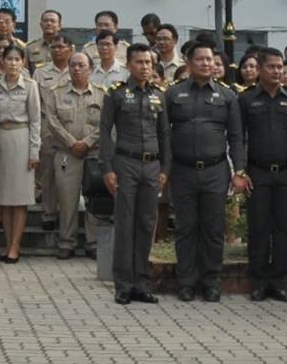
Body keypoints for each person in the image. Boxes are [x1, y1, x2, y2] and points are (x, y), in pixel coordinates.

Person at [164, 37, 244, 302]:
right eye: (200, 59)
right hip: (182, 171)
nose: (207, 63)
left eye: (210, 59)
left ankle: (211, 282)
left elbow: (236, 137)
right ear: (189, 63)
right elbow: (164, 134)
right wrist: (165, 169)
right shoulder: (173, 94)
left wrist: (239, 171)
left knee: (213, 229)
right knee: (185, 228)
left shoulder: (227, 95)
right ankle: (186, 283)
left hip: (215, 171)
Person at [100, 43, 167, 304]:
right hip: (125, 163)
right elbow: (105, 132)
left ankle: (142, 284)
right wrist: (107, 168)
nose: (145, 67)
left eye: (148, 62)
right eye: (139, 62)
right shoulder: (116, 94)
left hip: (152, 166)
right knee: (125, 224)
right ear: (128, 65)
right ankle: (124, 285)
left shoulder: (159, 95)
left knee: (147, 225)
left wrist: (166, 169)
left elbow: (165, 134)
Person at [240, 48, 287, 302]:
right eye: (272, 67)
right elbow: (239, 138)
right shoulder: (246, 99)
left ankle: (278, 282)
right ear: (260, 69)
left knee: (282, 228)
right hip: (257, 172)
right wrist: (241, 170)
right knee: (258, 227)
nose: (278, 71)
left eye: (280, 67)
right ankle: (258, 282)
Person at [43, 52, 103, 260]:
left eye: (81, 65)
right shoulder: (56, 93)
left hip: (93, 153)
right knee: (67, 200)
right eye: (73, 65)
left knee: (94, 199)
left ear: (91, 68)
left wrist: (87, 142)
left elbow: (106, 123)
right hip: (66, 154)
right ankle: (66, 242)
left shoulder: (102, 94)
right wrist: (71, 143)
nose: (76, 69)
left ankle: (93, 243)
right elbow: (52, 121)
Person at [0, 44, 41, 264]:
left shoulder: (30, 85)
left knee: (19, 199)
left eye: (17, 59)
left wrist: (34, 151)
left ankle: (15, 246)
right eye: (8, 59)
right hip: (0, 140)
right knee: (4, 199)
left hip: (21, 141)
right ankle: (7, 244)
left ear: (23, 62)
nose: (12, 63)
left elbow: (36, 120)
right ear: (2, 61)